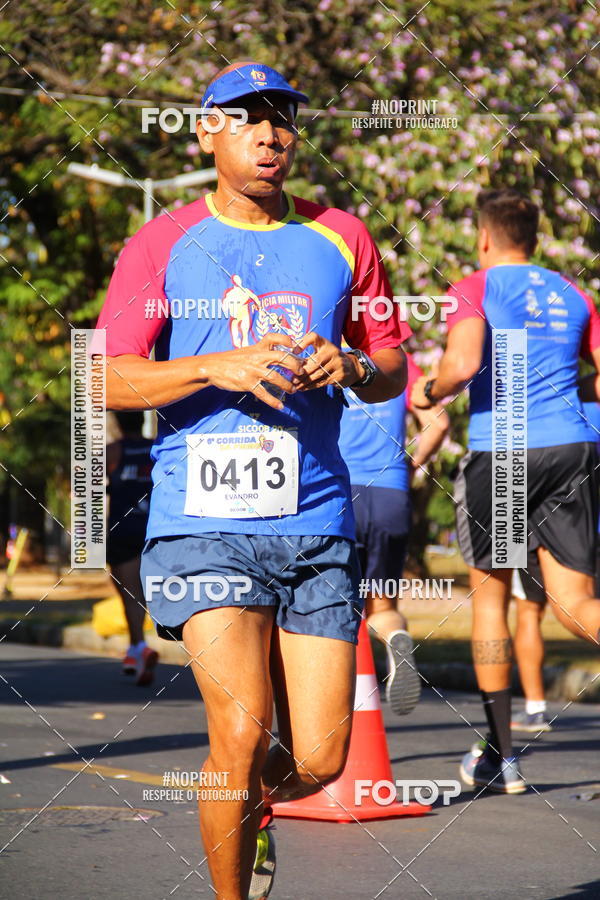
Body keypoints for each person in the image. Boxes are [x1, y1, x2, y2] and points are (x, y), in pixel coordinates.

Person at [96, 60, 409, 900]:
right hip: (202, 521)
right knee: (236, 735)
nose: (272, 133)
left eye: (283, 119)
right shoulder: (162, 242)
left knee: (318, 757)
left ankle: (255, 810)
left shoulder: (344, 236)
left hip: (316, 524)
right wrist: (216, 367)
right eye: (248, 117)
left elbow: (392, 362)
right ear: (207, 130)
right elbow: (107, 379)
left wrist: (346, 362)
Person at [411, 187, 600, 795]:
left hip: (505, 452)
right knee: (575, 606)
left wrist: (429, 392)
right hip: (573, 448)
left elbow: (463, 365)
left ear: (485, 237)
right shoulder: (576, 294)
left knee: (490, 602)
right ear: (537, 239)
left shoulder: (476, 285)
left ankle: (503, 759)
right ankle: (497, 754)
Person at [338, 352, 449, 714]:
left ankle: (339, 703)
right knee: (382, 602)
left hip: (339, 495)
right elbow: (438, 423)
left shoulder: (324, 357)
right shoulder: (400, 364)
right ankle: (395, 636)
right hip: (391, 495)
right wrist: (410, 465)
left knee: (334, 606)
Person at [511, 396, 600, 733]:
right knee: (583, 606)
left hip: (523, 496)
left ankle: (534, 709)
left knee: (529, 610)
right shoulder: (588, 408)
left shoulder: (525, 405)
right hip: (587, 523)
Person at [106, 411, 157, 685]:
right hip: (153, 527)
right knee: (144, 591)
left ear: (117, 424)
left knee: (129, 593)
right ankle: (135, 649)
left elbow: (85, 483)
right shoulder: (157, 448)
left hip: (123, 529)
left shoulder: (112, 452)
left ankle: (138, 646)